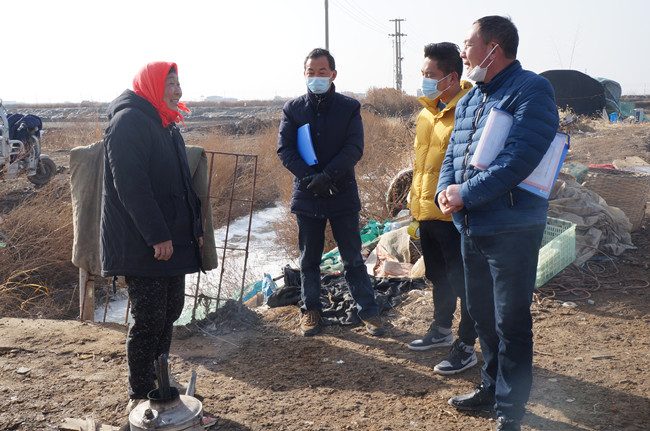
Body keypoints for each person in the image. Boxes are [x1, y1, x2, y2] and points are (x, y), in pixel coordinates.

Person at [436, 16, 559, 431]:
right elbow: (453, 154)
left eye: (468, 44)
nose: (463, 52)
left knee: (511, 321)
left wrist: (465, 193)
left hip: (513, 226)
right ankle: (489, 388)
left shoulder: (532, 90)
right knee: (482, 315)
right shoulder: (471, 98)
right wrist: (445, 191)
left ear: (493, 48)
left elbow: (518, 158)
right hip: (472, 226)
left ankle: (510, 409)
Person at [100, 62, 204, 411]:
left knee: (170, 311)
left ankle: (160, 381)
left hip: (170, 239)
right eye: (170, 83)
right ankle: (139, 392)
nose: (178, 91)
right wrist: (157, 235)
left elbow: (184, 187)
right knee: (149, 319)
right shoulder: (128, 121)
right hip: (142, 241)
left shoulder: (166, 124)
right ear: (152, 85)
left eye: (178, 83)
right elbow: (132, 187)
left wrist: (195, 231)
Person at [277, 48, 384, 337]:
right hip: (307, 193)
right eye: (310, 72)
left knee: (353, 258)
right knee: (308, 259)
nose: (316, 77)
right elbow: (285, 149)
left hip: (341, 191)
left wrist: (328, 175)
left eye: (322, 72)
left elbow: (354, 147)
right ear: (304, 74)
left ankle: (368, 311)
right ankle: (310, 310)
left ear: (333, 74)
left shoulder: (349, 107)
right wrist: (310, 178)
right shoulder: (293, 109)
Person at [407, 43, 478, 376]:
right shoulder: (426, 113)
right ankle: (441, 329)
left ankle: (467, 344)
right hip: (426, 211)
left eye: (430, 74)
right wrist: (415, 204)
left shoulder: (468, 108)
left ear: (451, 77)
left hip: (454, 214)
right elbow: (422, 165)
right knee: (438, 277)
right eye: (423, 73)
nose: (424, 80)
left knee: (464, 283)